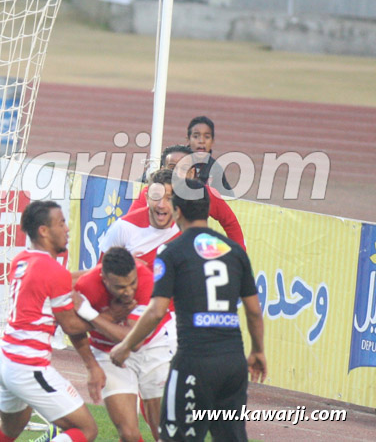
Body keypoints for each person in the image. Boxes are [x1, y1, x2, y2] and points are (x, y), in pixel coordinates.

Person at [110, 179, 266, 442]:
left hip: (194, 361)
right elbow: (253, 310)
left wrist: (126, 346)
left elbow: (156, 311)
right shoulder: (235, 251)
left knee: (177, 436)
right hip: (233, 363)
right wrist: (258, 350)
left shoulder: (172, 252)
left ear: (178, 210)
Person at [0, 200, 103, 442]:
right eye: (61, 223)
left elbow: (59, 280)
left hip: (4, 359)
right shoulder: (52, 270)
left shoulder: (22, 260)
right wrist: (105, 320)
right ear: (44, 231)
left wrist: (97, 272)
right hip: (28, 366)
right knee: (86, 430)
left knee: (10, 430)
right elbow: (70, 326)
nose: (67, 229)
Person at [73, 247, 176, 442]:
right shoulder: (86, 286)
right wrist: (91, 366)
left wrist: (91, 315)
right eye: (120, 287)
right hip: (106, 351)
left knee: (162, 432)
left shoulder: (146, 280)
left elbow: (133, 341)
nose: (128, 292)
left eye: (131, 283)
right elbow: (72, 328)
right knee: (129, 434)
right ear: (104, 279)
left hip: (154, 346)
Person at [129, 144, 245, 249]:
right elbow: (130, 223)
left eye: (183, 168)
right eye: (172, 167)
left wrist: (240, 255)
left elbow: (230, 223)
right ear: (163, 169)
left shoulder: (206, 194)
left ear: (192, 173)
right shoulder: (151, 192)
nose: (177, 173)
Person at [97, 169, 180, 269]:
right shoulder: (124, 227)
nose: (161, 205)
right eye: (156, 197)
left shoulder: (185, 226)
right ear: (147, 197)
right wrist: (123, 267)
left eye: (169, 198)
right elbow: (99, 273)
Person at [187, 116, 234, 197]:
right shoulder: (177, 160)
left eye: (207, 137)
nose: (201, 141)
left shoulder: (215, 169)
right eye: (196, 136)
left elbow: (229, 199)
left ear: (212, 141)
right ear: (188, 139)